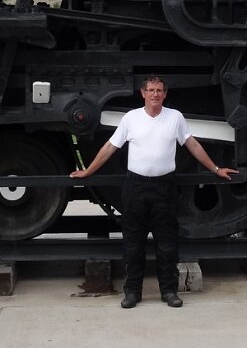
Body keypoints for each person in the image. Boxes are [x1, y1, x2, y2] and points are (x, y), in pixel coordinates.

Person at [70, 76, 235, 308]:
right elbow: (109, 147)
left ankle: (169, 291)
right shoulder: (131, 118)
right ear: (143, 93)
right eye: (151, 90)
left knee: (167, 243)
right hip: (135, 187)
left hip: (164, 188)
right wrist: (88, 171)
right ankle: (132, 292)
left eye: (159, 90)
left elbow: (193, 145)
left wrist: (216, 169)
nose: (155, 94)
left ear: (165, 94)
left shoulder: (175, 117)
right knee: (133, 243)